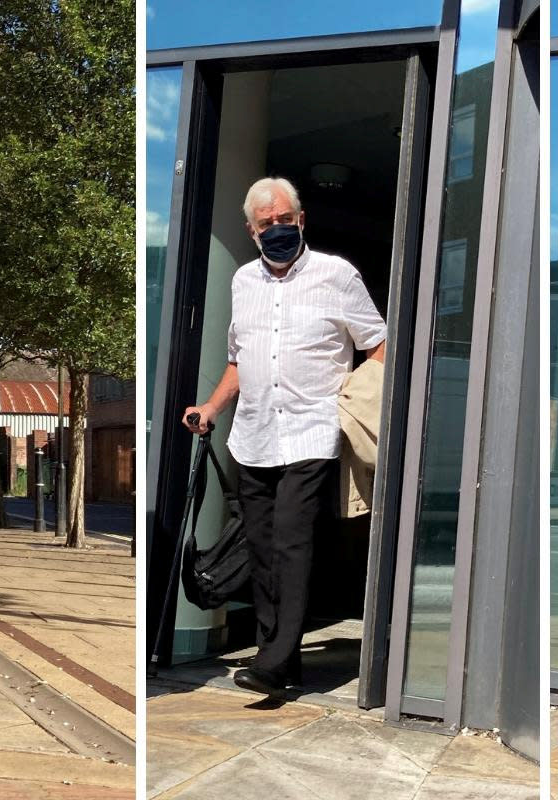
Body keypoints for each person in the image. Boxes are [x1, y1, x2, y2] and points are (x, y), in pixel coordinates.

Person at [184, 177, 386, 696]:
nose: (276, 229)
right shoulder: (243, 282)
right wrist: (211, 407)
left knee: (293, 545)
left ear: (301, 220)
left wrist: (354, 399)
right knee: (262, 548)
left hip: (313, 431)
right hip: (252, 434)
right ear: (251, 231)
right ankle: (284, 660)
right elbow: (239, 358)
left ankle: (272, 661)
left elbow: (381, 343)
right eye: (265, 224)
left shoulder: (336, 275)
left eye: (284, 220)